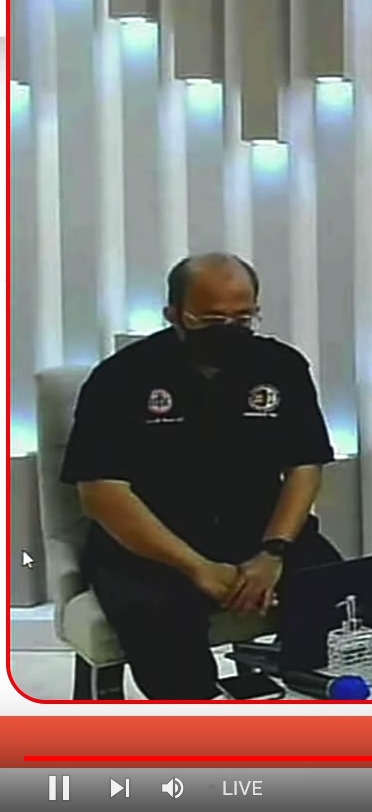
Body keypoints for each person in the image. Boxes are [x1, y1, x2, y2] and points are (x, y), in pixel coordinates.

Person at [60, 254, 342, 700]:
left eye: (242, 318)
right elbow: (100, 490)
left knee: (342, 597)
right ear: (174, 314)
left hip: (259, 532)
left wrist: (273, 551)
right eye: (210, 319)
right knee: (163, 624)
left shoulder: (281, 366)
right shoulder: (121, 377)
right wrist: (196, 567)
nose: (228, 328)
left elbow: (305, 466)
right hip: (151, 546)